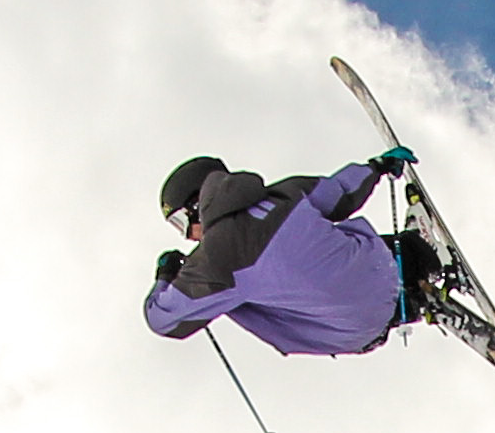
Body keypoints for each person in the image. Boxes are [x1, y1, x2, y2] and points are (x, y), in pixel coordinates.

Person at [145, 152, 447, 359]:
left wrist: (166, 275)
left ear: (196, 205)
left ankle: (408, 306)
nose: (187, 236)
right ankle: (419, 258)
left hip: (358, 332)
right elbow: (342, 193)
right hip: (381, 271)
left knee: (273, 291)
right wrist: (377, 167)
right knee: (333, 246)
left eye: (181, 223)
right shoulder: (283, 195)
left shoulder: (212, 263)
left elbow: (161, 319)